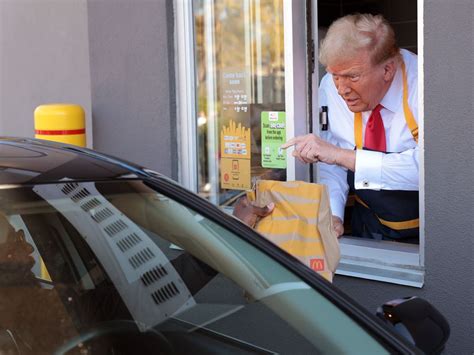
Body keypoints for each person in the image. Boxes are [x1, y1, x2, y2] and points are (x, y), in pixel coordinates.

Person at [282, 13, 419, 243]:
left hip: (429, 235)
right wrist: (333, 213)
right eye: (335, 76)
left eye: (352, 76)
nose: (341, 89)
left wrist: (342, 156)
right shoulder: (330, 86)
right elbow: (330, 160)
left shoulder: (423, 85)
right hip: (368, 224)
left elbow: (431, 170)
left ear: (387, 70)